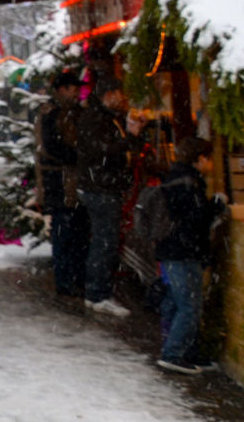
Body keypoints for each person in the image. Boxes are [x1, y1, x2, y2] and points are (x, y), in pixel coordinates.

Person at [151, 137, 223, 374]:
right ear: (200, 158)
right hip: (182, 252)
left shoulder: (177, 178)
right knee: (189, 305)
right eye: (209, 158)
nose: (211, 163)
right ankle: (173, 354)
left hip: (173, 251)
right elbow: (196, 218)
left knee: (176, 302)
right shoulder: (187, 183)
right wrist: (217, 206)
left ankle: (187, 352)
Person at [75, 75, 144, 317]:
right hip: (100, 188)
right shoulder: (96, 120)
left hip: (102, 186)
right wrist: (131, 138)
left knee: (104, 241)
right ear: (108, 95)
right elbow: (101, 152)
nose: (122, 98)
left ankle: (97, 292)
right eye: (118, 94)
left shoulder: (105, 118)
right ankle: (97, 293)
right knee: (105, 241)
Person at [39, 70, 90, 298]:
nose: (77, 92)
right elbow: (50, 147)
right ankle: (65, 281)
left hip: (77, 182)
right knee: (64, 233)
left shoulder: (77, 112)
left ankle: (78, 278)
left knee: (79, 234)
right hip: (59, 183)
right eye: (72, 88)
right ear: (61, 90)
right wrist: (79, 157)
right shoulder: (51, 113)